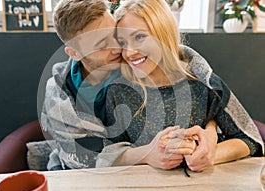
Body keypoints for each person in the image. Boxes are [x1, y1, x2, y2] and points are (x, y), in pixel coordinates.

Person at [27, 0, 218, 171]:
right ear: (74, 53)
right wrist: (146, 154)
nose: (119, 48)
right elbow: (79, 155)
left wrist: (210, 131)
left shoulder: (136, 62)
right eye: (102, 44)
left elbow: (202, 102)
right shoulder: (59, 93)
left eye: (116, 35)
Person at [96, 0, 264, 172]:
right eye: (123, 43)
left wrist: (211, 154)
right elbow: (106, 156)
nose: (130, 52)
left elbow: (250, 139)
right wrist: (147, 155)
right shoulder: (118, 89)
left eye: (139, 37)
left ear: (163, 33)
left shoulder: (202, 82)